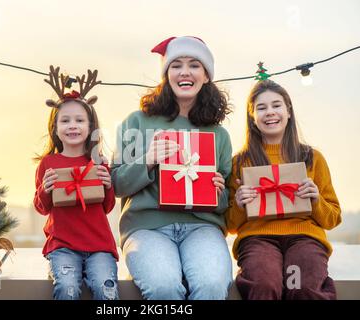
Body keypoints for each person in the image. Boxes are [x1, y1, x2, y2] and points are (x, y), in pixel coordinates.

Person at [110, 36, 233, 300]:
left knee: (212, 285)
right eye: (176, 65)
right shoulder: (137, 122)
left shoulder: (218, 134)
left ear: (206, 76)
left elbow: (225, 203)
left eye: (194, 65)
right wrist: (148, 159)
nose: (185, 72)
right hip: (146, 227)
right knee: (164, 287)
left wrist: (218, 190)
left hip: (202, 228)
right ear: (167, 74)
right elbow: (116, 185)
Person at [226, 79, 341, 300]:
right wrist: (240, 204)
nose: (270, 112)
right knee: (265, 282)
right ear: (252, 116)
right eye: (261, 107)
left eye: (276, 105)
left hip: (305, 238)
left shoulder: (312, 158)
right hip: (257, 238)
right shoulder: (239, 163)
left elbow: (332, 218)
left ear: (288, 111)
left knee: (303, 285)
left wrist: (316, 200)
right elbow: (230, 225)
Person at [33, 66, 118, 300]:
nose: (73, 125)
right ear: (55, 128)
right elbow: (42, 208)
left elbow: (107, 206)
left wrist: (108, 185)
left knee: (106, 289)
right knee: (67, 289)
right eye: (65, 121)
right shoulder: (48, 163)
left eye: (80, 120)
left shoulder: (98, 161)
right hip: (63, 246)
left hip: (99, 245)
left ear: (90, 127)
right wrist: (45, 190)